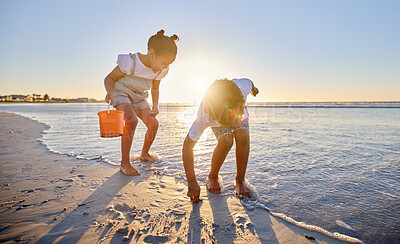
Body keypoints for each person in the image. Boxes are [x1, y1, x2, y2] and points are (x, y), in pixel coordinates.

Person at [104, 30, 179, 176]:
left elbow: (155, 88)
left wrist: (155, 105)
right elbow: (109, 78)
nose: (165, 67)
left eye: (168, 64)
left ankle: (144, 153)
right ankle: (124, 163)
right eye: (164, 63)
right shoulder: (130, 62)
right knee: (131, 120)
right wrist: (110, 92)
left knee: (153, 124)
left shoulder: (160, 71)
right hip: (121, 92)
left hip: (139, 97)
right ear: (151, 54)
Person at [182, 78, 259, 202]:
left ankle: (240, 179)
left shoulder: (242, 86)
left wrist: (254, 90)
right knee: (226, 141)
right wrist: (191, 181)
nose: (239, 120)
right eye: (235, 119)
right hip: (220, 117)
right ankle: (213, 176)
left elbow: (250, 83)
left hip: (232, 109)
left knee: (243, 136)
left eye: (240, 112)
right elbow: (187, 146)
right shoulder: (205, 117)